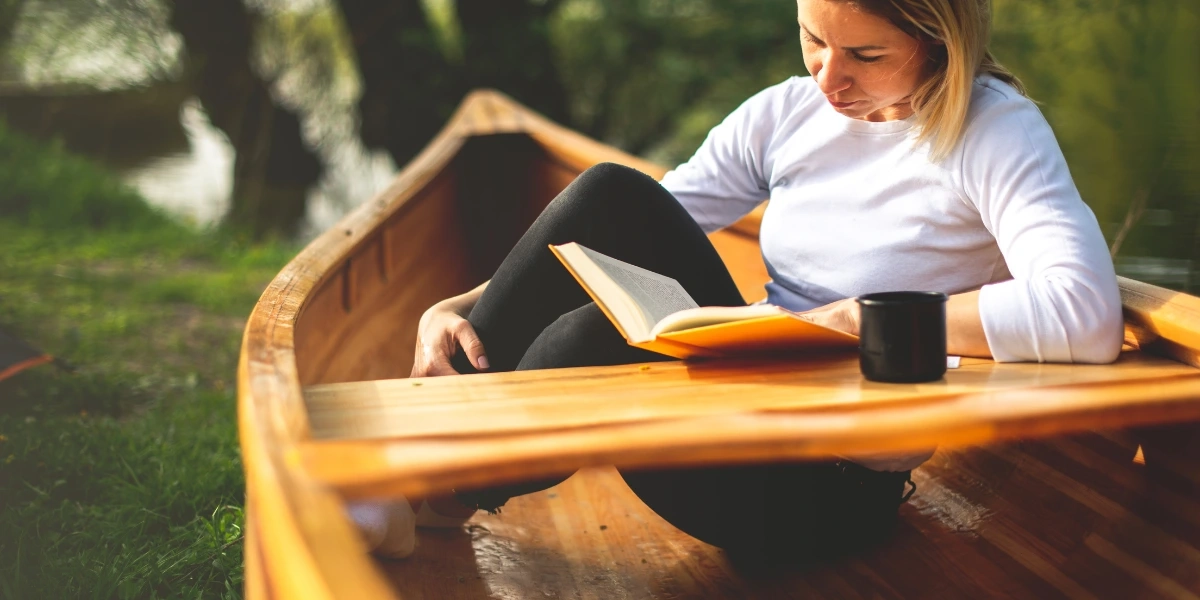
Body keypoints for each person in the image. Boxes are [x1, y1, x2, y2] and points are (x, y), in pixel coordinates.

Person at [348, 0, 1124, 562]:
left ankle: (424, 493)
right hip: (735, 401)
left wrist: (861, 320)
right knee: (611, 195)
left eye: (865, 56)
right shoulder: (789, 115)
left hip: (821, 486)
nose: (828, 78)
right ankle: (423, 488)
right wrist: (449, 306)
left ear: (942, 39)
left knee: (589, 340)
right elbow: (611, 226)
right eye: (813, 39)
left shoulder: (993, 132)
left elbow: (1084, 311)